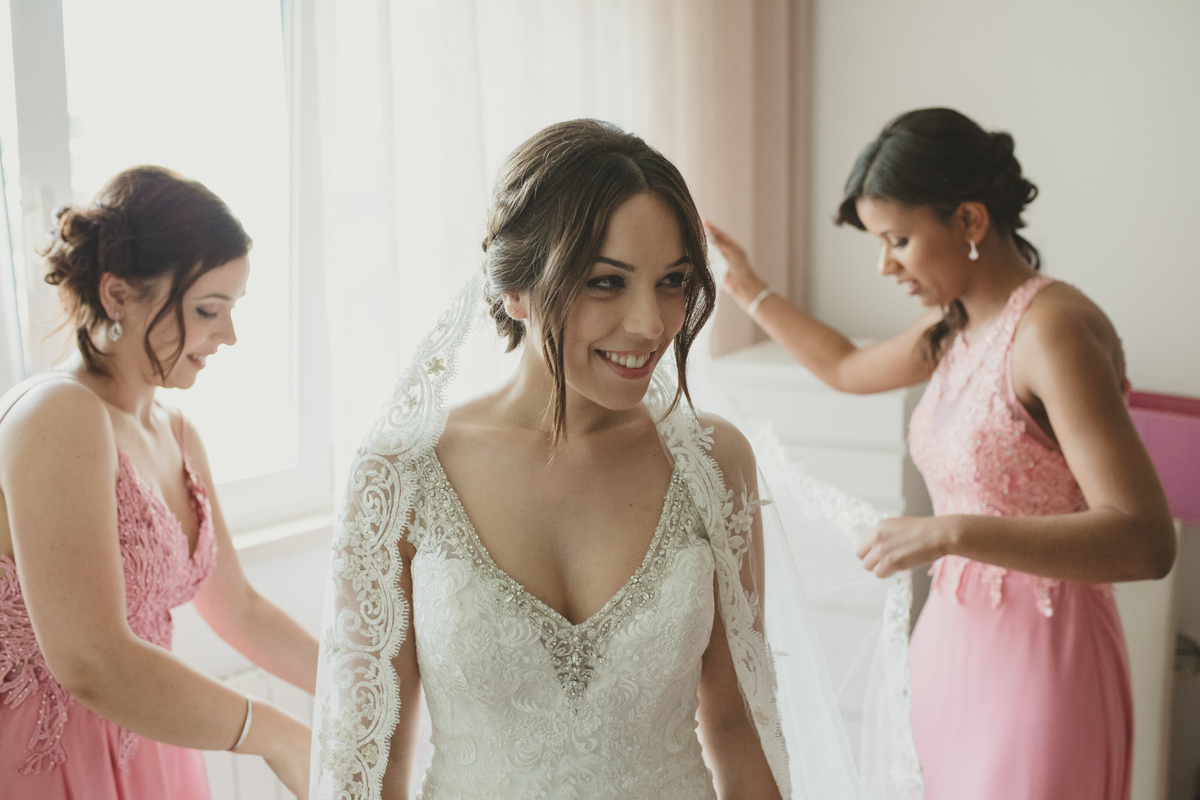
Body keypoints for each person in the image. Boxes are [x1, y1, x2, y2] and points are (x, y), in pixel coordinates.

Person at [310, 120, 919, 800]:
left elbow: (738, 728)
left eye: (673, 281)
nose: (651, 324)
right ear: (515, 289)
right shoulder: (401, 473)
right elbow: (366, 762)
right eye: (606, 282)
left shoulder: (715, 464)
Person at [706, 107, 1176, 800]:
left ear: (970, 220)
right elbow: (845, 367)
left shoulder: (1054, 333)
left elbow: (1146, 540)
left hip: (1046, 660)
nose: (885, 264)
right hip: (952, 648)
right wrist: (746, 285)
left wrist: (949, 532)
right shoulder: (956, 324)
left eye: (898, 239)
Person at [0, 166, 316, 799]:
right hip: (51, 760)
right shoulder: (56, 416)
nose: (228, 336)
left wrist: (369, 685)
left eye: (232, 310)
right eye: (207, 310)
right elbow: (92, 660)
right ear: (118, 294)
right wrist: (277, 734)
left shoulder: (175, 430)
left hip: (152, 746)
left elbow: (239, 609)